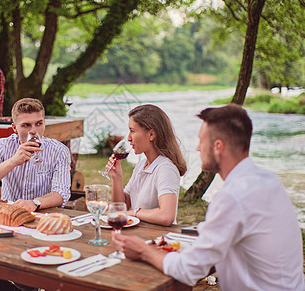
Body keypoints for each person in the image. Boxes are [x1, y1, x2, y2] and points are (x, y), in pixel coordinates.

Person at [112, 104, 305, 290]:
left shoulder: (232, 197)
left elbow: (189, 270)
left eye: (201, 141)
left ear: (218, 146)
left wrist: (144, 251)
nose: (197, 148)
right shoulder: (269, 180)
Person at [0, 98, 71, 291]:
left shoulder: (59, 151)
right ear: (14, 127)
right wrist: (13, 161)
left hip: (40, 225)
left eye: (39, 123)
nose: (34, 131)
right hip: (5, 224)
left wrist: (34, 203)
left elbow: (62, 193)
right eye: (26, 125)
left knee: (28, 278)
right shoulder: (2, 146)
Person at [106, 104, 186, 226]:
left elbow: (166, 216)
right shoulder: (141, 166)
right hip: (139, 235)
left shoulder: (165, 169)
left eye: (132, 131)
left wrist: (134, 213)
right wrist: (117, 178)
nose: (128, 138)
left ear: (151, 135)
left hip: (157, 239)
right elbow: (121, 209)